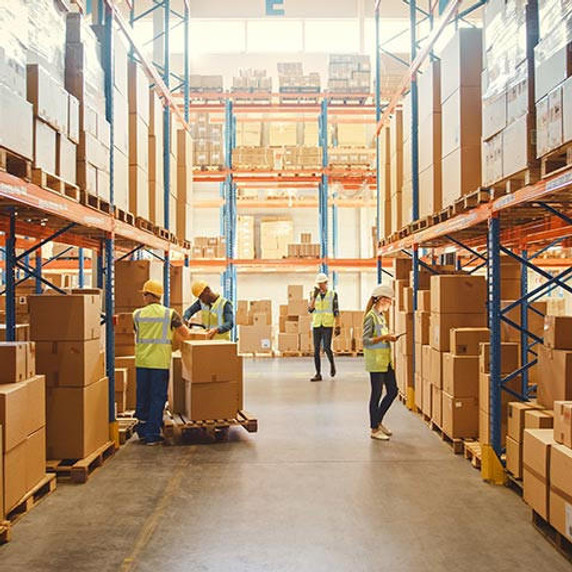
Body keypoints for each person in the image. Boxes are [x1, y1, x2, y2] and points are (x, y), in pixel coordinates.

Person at [133, 280, 192, 445]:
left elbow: (137, 332)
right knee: (157, 398)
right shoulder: (170, 314)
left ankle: (143, 432)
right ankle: (152, 435)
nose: (143, 298)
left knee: (142, 396)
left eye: (144, 294)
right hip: (159, 362)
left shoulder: (137, 314)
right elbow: (185, 334)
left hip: (142, 361)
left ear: (149, 295)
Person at [363, 284, 399, 441]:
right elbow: (365, 341)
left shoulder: (381, 316)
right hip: (376, 362)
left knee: (393, 391)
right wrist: (385, 337)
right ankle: (374, 428)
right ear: (382, 299)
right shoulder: (370, 317)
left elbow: (382, 336)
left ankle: (378, 421)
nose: (390, 304)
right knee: (376, 394)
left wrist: (390, 336)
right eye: (389, 301)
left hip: (385, 361)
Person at [308, 272, 340, 382]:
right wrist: (314, 297)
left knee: (326, 347)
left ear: (326, 283)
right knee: (316, 350)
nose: (320, 286)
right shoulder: (313, 293)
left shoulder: (332, 294)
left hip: (327, 324)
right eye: (319, 284)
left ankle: (332, 364)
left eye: (322, 283)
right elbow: (310, 309)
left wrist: (338, 326)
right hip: (317, 324)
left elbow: (336, 311)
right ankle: (318, 373)